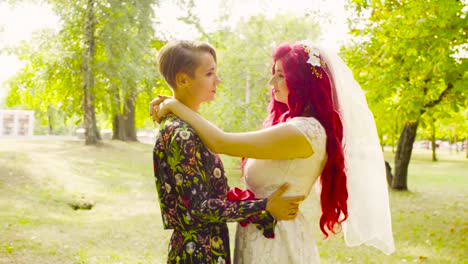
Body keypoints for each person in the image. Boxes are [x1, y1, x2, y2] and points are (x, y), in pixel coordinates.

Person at [151, 41, 395, 263]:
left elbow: (222, 142)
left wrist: (174, 105)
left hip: (278, 239)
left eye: (280, 75)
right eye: (273, 74)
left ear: (302, 82)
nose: (271, 84)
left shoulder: (303, 131)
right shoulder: (292, 126)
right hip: (260, 234)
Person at [152, 40, 304, 264]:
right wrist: (264, 207)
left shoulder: (190, 127)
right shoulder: (181, 134)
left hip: (210, 247)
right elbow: (198, 209)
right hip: (197, 254)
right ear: (183, 80)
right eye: (209, 74)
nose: (218, 81)